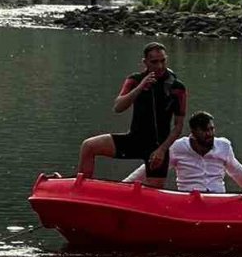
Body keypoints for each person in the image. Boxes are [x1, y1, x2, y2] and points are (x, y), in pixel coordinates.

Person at [77, 42, 187, 187]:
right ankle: (81, 189)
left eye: (163, 61)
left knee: (154, 193)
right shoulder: (134, 80)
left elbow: (178, 127)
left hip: (158, 147)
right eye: (154, 62)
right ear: (145, 62)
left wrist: (162, 150)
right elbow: (118, 107)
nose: (160, 66)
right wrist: (141, 87)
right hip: (134, 139)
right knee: (89, 146)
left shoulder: (177, 88)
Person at [125, 111, 242, 193]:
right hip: (188, 199)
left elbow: (236, 170)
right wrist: (124, 186)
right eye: (205, 130)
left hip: (217, 198)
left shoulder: (223, 146)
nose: (210, 134)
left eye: (212, 129)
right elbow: (150, 168)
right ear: (194, 132)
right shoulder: (177, 148)